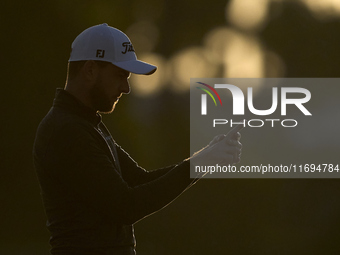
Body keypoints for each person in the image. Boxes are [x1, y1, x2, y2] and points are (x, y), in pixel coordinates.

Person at [33, 23, 242, 255]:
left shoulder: (85, 124)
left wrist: (201, 159)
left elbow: (139, 180)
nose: (126, 88)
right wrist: (198, 163)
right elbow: (126, 205)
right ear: (90, 70)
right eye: (120, 75)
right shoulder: (67, 131)